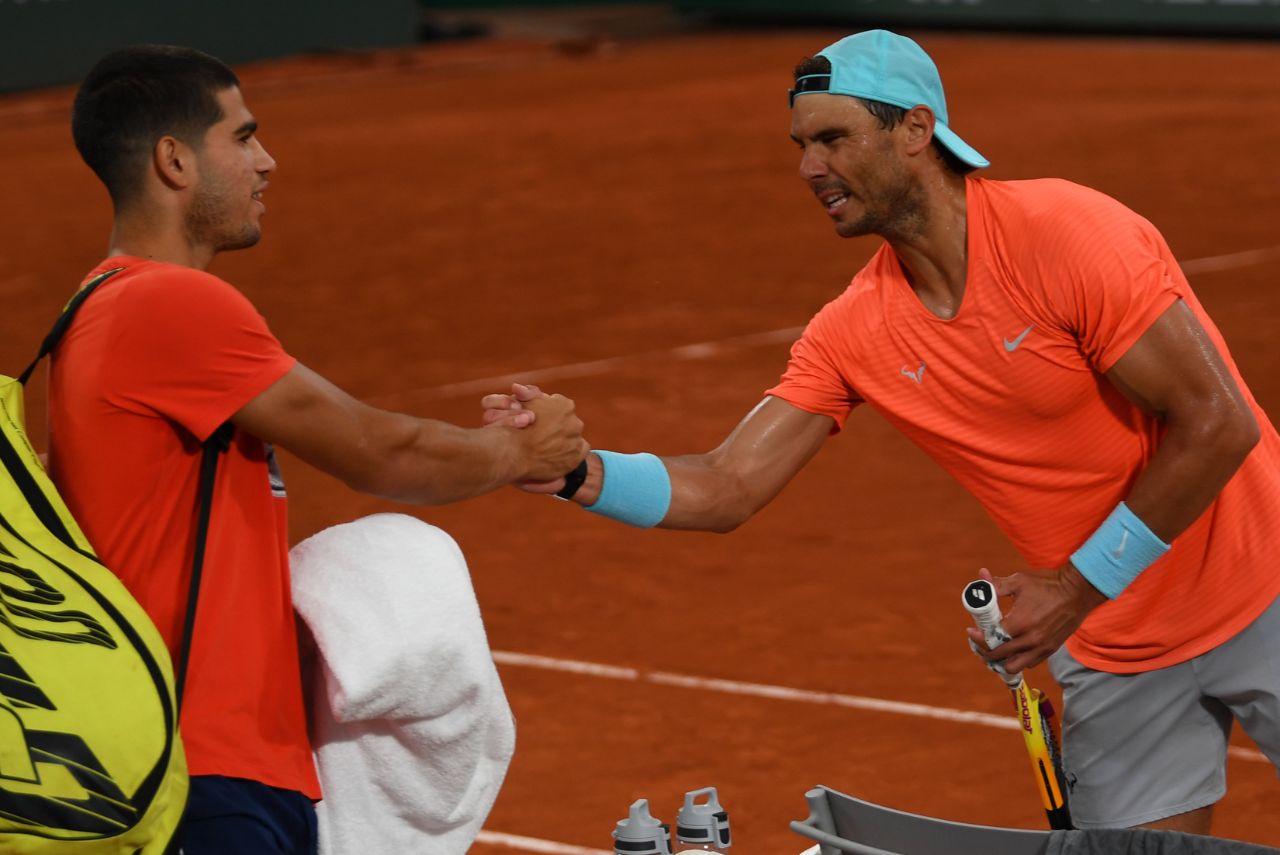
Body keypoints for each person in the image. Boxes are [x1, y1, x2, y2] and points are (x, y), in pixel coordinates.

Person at [484, 30, 1280, 835]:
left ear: (915, 130)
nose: (808, 167)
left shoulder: (1067, 234)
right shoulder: (854, 331)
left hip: (1264, 585)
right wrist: (577, 471)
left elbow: (1217, 424)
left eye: (833, 138)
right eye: (801, 145)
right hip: (1115, 648)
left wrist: (1072, 590)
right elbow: (727, 484)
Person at [55, 44, 588, 855]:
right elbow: (381, 449)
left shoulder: (102, 304)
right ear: (174, 160)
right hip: (197, 767)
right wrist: (521, 451)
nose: (266, 162)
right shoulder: (170, 304)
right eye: (242, 137)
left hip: (191, 759)